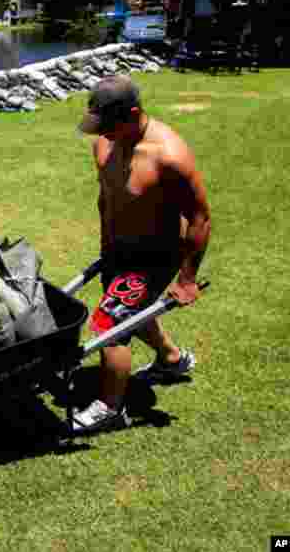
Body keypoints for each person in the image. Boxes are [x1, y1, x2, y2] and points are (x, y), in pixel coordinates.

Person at [71, 75, 212, 434]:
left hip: (155, 255)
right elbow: (107, 197)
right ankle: (171, 359)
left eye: (109, 126)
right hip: (118, 249)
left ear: (133, 114)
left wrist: (187, 279)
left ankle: (110, 409)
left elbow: (200, 218)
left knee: (109, 322)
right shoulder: (104, 145)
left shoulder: (168, 156)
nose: (103, 135)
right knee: (129, 310)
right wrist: (106, 241)